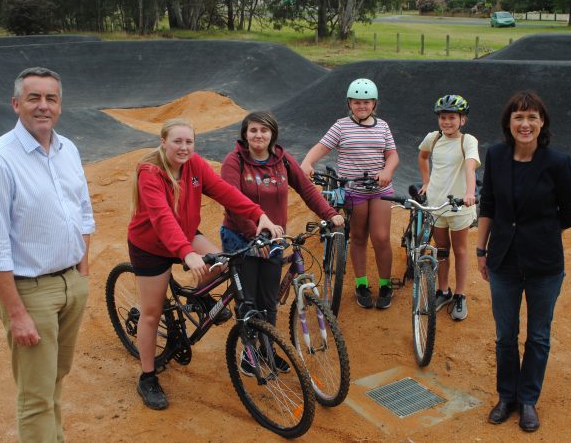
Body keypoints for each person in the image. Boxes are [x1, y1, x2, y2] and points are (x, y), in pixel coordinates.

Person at [0, 67, 94, 442]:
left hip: (70, 283)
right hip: (30, 291)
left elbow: (83, 213)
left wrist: (81, 276)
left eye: (51, 98)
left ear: (60, 105)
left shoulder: (68, 149)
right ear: (16, 104)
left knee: (54, 378)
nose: (43, 106)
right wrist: (17, 313)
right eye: (34, 98)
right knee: (36, 396)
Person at [127, 118, 282, 410]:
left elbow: (225, 192)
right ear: (163, 142)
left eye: (189, 142)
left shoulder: (195, 166)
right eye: (177, 141)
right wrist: (186, 253)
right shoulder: (151, 172)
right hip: (151, 245)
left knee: (219, 266)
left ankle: (198, 302)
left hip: (184, 235)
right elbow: (161, 218)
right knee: (151, 313)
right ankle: (147, 377)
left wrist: (258, 213)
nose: (184, 147)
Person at [476, 90, 571, 432]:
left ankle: (527, 400)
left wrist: (543, 234)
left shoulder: (557, 163)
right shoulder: (495, 156)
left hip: (544, 264)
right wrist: (481, 250)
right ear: (509, 123)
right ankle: (507, 396)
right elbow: (488, 204)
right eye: (518, 117)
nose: (525, 123)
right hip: (503, 260)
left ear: (542, 123)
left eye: (532, 117)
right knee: (506, 335)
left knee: (538, 336)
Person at [220, 112, 345, 373]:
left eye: (264, 131)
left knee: (269, 299)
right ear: (245, 133)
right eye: (253, 130)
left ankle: (268, 347)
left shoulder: (282, 160)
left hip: (274, 237)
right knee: (249, 299)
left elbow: (308, 190)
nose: (258, 135)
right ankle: (249, 351)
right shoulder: (234, 162)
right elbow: (231, 200)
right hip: (242, 237)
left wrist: (330, 213)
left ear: (272, 134)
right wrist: (253, 233)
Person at [301, 78, 399, 309]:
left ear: (374, 104)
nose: (362, 106)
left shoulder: (383, 126)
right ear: (350, 103)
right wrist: (307, 162)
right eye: (357, 102)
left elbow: (393, 155)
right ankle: (361, 283)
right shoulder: (341, 126)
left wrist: (387, 170)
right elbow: (321, 147)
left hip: (380, 190)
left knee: (381, 237)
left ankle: (385, 284)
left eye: (366, 102)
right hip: (353, 190)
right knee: (357, 237)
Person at [417, 94, 480, 321]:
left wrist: (470, 193)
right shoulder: (433, 139)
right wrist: (426, 181)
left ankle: (461, 294)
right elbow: (423, 158)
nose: (447, 122)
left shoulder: (468, 141)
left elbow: (470, 167)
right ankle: (443, 291)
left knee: (460, 249)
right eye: (443, 117)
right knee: (441, 249)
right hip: (437, 204)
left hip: (459, 206)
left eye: (452, 117)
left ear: (462, 120)